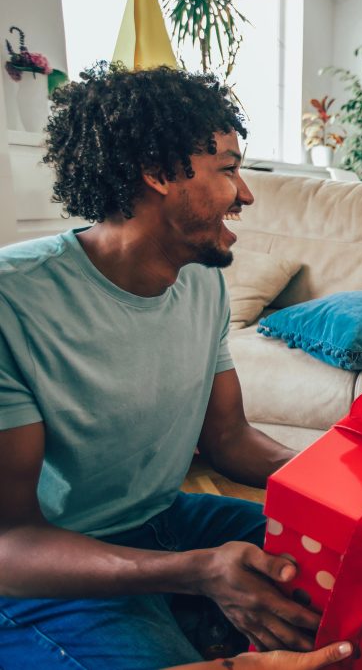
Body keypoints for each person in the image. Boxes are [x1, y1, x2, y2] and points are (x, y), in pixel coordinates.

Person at [0, 64, 336, 668]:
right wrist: (198, 572)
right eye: (229, 169)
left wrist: (352, 481)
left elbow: (229, 439)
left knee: (349, 560)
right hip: (50, 566)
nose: (248, 194)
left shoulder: (201, 280)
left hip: (164, 518)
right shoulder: (12, 301)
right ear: (157, 174)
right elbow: (8, 544)